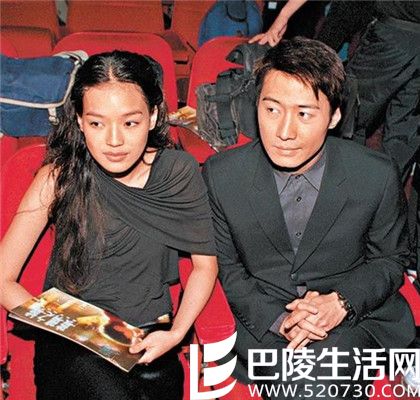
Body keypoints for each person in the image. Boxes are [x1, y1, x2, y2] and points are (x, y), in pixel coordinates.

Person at [202, 37, 415, 399]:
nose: (284, 132)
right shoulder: (222, 174)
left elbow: (391, 259)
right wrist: (281, 319)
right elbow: (227, 269)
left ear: (333, 116)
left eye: (304, 114)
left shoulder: (375, 174)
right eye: (272, 110)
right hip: (262, 321)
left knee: (315, 382)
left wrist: (341, 302)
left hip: (352, 320)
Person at [0, 50, 218, 400]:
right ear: (79, 120)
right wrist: (72, 328)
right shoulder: (59, 177)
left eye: (129, 123)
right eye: (97, 123)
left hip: (151, 339)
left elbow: (205, 266)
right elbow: (3, 277)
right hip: (74, 340)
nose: (114, 140)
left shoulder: (178, 173)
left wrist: (177, 333)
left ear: (153, 116)